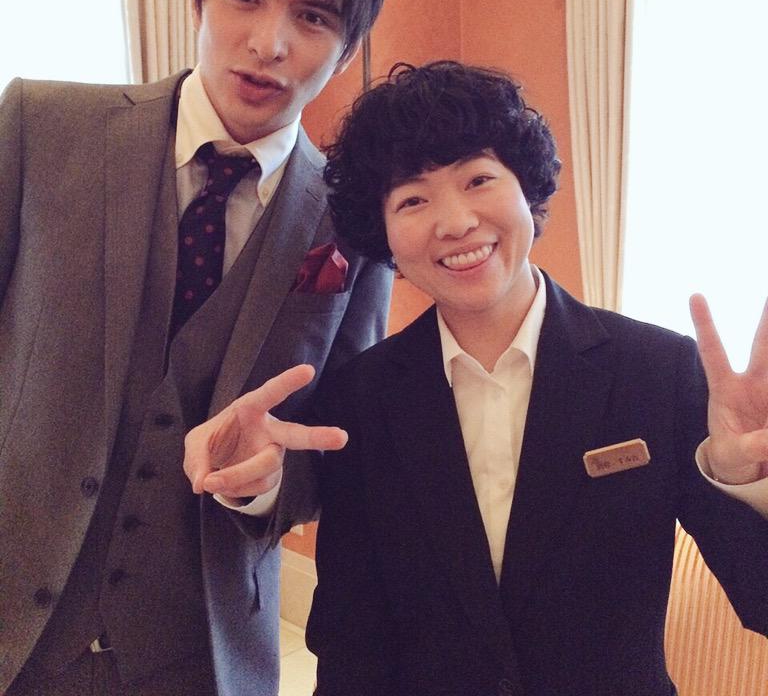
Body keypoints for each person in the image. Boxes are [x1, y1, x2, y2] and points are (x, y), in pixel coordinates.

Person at [0, 0, 393, 696]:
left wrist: (269, 484)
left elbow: (337, 444)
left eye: (312, 17)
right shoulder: (41, 127)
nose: (269, 43)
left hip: (202, 652)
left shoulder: (357, 218)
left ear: (348, 49)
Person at [298, 60, 768, 696]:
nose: (455, 221)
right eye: (412, 199)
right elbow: (350, 635)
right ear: (382, 230)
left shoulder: (657, 370)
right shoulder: (360, 397)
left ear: (528, 187)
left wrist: (746, 482)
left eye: (478, 179)